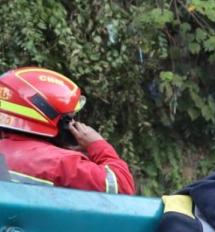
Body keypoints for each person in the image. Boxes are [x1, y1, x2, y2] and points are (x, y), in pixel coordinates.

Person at [0, 67, 136, 194]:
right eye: (69, 119)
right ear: (49, 116)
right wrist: (98, 145)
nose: (73, 124)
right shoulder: (62, 163)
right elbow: (121, 187)